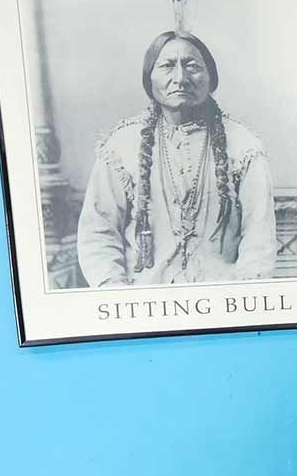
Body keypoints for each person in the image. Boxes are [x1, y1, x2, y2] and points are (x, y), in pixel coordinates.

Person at [76, 30, 276, 286]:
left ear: (211, 78)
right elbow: (98, 233)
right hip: (145, 299)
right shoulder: (122, 146)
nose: (180, 78)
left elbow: (259, 240)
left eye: (192, 66)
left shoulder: (244, 146)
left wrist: (244, 294)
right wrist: (117, 294)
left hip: (223, 297)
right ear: (149, 79)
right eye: (167, 66)